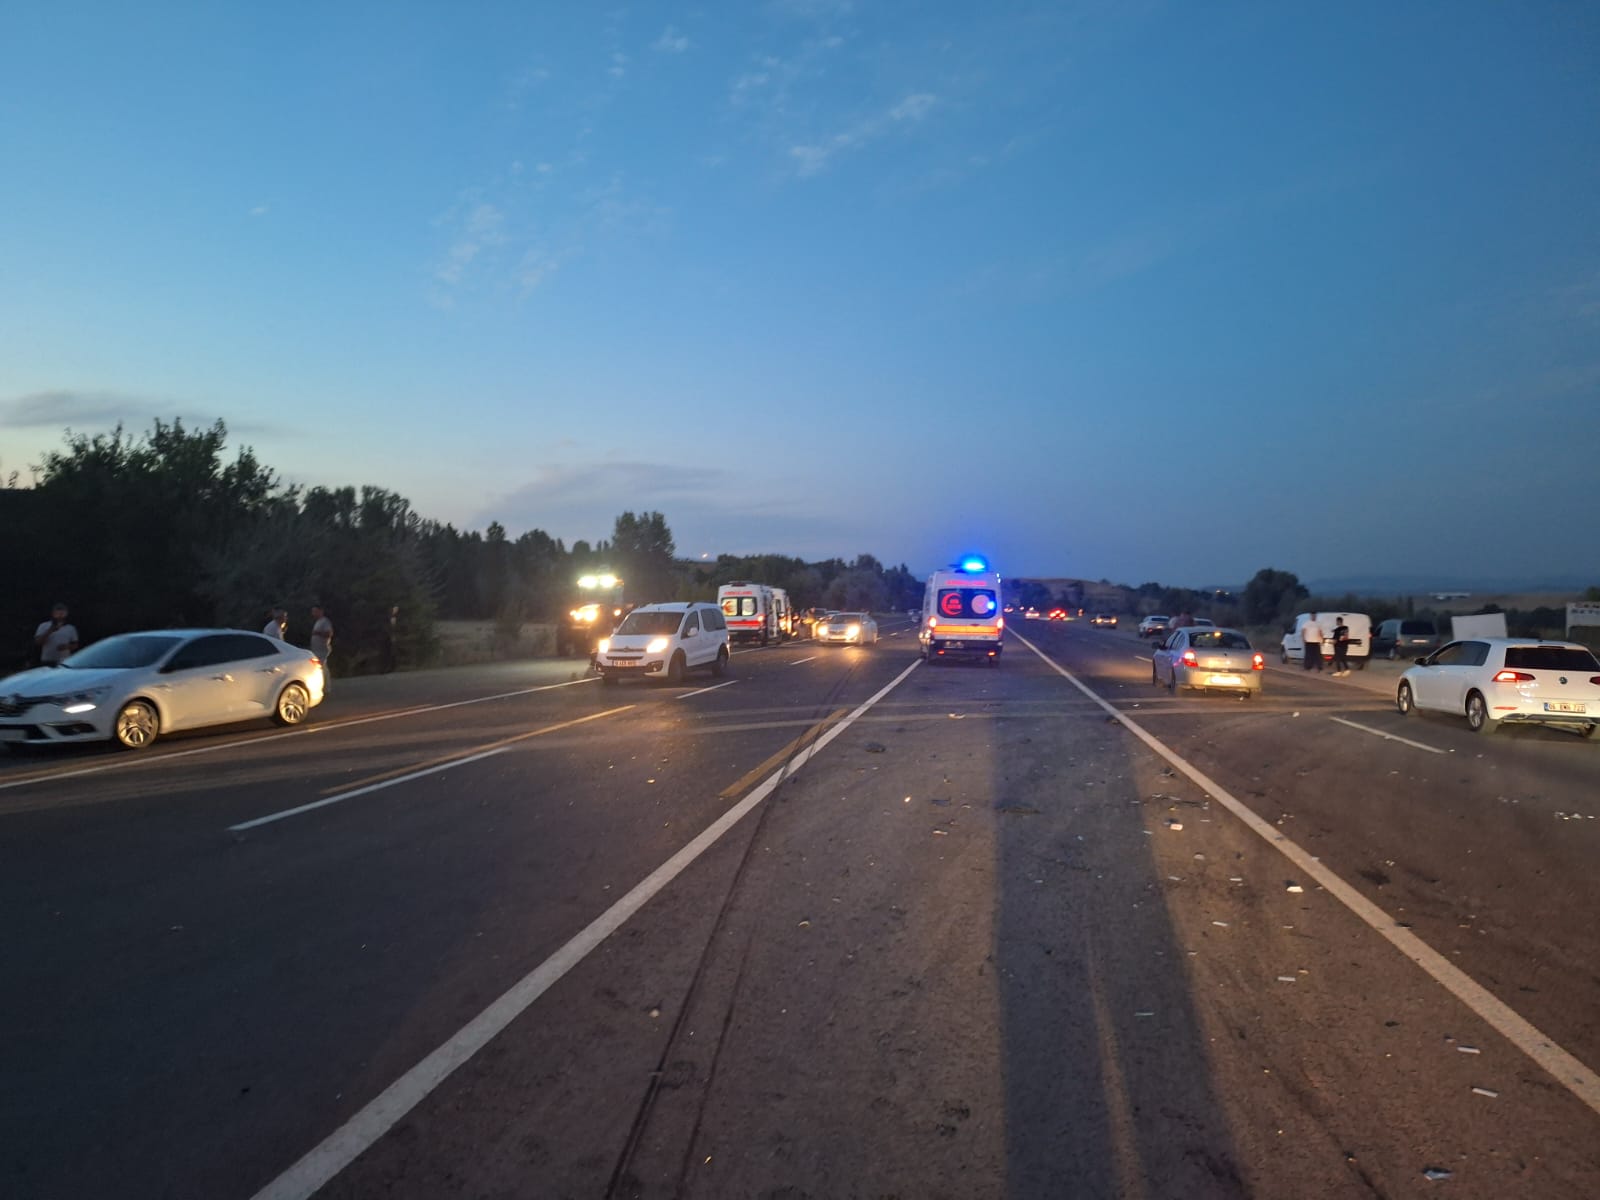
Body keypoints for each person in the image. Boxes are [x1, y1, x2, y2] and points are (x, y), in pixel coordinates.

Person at [34, 602, 80, 667]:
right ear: (53, 613)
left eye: (62, 613)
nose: (60, 615)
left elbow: (75, 645)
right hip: (47, 660)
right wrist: (49, 631)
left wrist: (67, 646)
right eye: (57, 613)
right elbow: (38, 642)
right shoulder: (43, 626)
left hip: (64, 661)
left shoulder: (71, 628)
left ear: (66, 614)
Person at [310, 604, 334, 694]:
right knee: (322, 668)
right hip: (316, 649)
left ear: (321, 611)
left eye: (316, 611)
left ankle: (326, 688)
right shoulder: (318, 622)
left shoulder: (325, 621)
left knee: (321, 667)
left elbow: (329, 633)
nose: (314, 613)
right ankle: (325, 687)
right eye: (313, 612)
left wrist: (318, 633)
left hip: (322, 649)